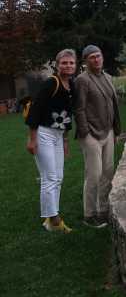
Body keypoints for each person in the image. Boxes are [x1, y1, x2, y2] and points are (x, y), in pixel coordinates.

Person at [26, 49, 76, 233]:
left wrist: (65, 141)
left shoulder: (72, 85)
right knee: (50, 177)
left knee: (59, 177)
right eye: (64, 62)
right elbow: (35, 111)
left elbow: (68, 115)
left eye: (71, 63)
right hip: (43, 133)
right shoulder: (50, 83)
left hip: (57, 135)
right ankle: (54, 220)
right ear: (57, 64)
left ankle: (50, 217)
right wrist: (32, 139)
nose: (68, 65)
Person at [74, 45, 121, 228]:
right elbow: (79, 109)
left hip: (108, 131)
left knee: (108, 173)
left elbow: (114, 105)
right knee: (94, 174)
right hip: (91, 135)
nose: (96, 59)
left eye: (98, 56)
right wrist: (86, 132)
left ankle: (103, 209)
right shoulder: (82, 80)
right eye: (92, 57)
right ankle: (89, 214)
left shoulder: (107, 77)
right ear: (86, 61)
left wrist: (115, 131)